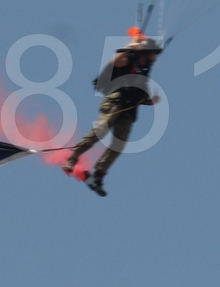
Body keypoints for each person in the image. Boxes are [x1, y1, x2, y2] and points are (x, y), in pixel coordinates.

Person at [63, 28, 162, 196]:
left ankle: (99, 175)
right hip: (115, 101)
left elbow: (137, 93)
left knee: (119, 144)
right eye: (153, 54)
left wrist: (149, 101)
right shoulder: (129, 59)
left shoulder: (144, 72)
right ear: (146, 52)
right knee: (101, 130)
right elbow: (116, 60)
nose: (155, 57)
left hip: (129, 111)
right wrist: (133, 45)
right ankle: (73, 157)